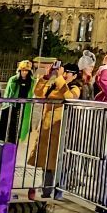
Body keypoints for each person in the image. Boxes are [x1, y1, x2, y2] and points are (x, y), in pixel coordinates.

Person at [28, 61, 80, 196]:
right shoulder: (55, 85)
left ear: (74, 76)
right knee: (46, 162)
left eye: (68, 73)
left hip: (60, 128)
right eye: (65, 72)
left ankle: (57, 192)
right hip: (47, 128)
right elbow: (38, 92)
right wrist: (46, 77)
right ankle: (46, 191)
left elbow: (69, 98)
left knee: (57, 162)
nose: (65, 74)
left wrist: (60, 78)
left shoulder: (74, 88)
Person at [2, 60, 34, 144]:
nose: (24, 72)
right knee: (11, 125)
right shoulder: (13, 79)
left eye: (26, 70)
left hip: (25, 105)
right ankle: (10, 141)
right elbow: (8, 93)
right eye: (22, 70)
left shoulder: (32, 81)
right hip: (13, 105)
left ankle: (19, 140)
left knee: (23, 124)